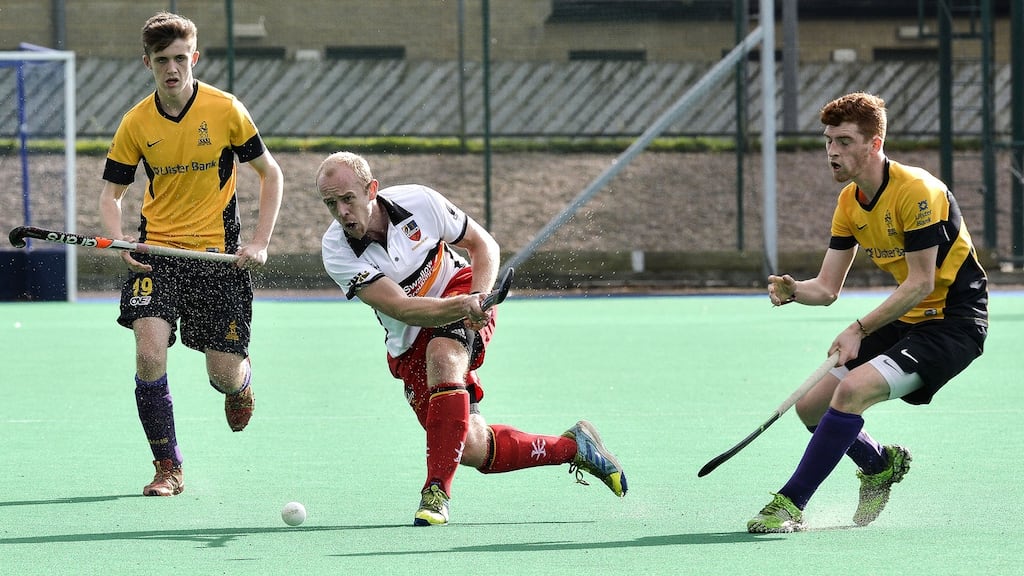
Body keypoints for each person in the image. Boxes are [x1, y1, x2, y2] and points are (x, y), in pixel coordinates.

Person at [316, 151, 627, 526]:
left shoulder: (419, 202)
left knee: (443, 355)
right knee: (471, 447)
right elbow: (402, 308)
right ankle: (574, 448)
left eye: (348, 199)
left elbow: (484, 246)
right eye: (330, 203)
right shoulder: (336, 250)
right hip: (410, 334)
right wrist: (464, 306)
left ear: (372, 191)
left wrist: (477, 297)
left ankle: (436, 492)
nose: (342, 212)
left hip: (459, 287)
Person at [746, 92, 988, 533]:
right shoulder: (849, 202)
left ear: (874, 143)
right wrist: (795, 290)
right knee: (811, 406)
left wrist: (859, 328)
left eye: (843, 141)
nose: (832, 152)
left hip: (953, 325)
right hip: (909, 319)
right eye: (828, 142)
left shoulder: (918, 192)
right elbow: (826, 289)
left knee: (851, 390)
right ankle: (879, 465)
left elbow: (921, 282)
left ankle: (789, 504)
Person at [97, 12, 284, 497]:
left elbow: (271, 174)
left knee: (222, 374)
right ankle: (168, 466)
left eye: (181, 58)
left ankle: (240, 384)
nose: (172, 69)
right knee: (148, 352)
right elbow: (112, 193)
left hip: (217, 258)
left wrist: (260, 241)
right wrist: (118, 240)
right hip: (156, 253)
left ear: (194, 57)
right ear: (148, 63)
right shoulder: (136, 122)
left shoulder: (225, 110)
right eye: (162, 61)